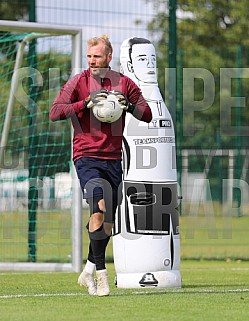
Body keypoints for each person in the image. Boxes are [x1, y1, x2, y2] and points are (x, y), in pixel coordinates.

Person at [49, 34, 152, 296]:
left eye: (97, 56)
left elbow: (147, 114)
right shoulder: (79, 82)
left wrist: (127, 106)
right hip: (86, 156)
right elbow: (55, 112)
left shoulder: (123, 83)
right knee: (99, 207)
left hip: (114, 159)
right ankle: (103, 275)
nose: (92, 61)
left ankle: (88, 270)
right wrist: (84, 103)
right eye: (89, 56)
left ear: (109, 57)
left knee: (107, 222)